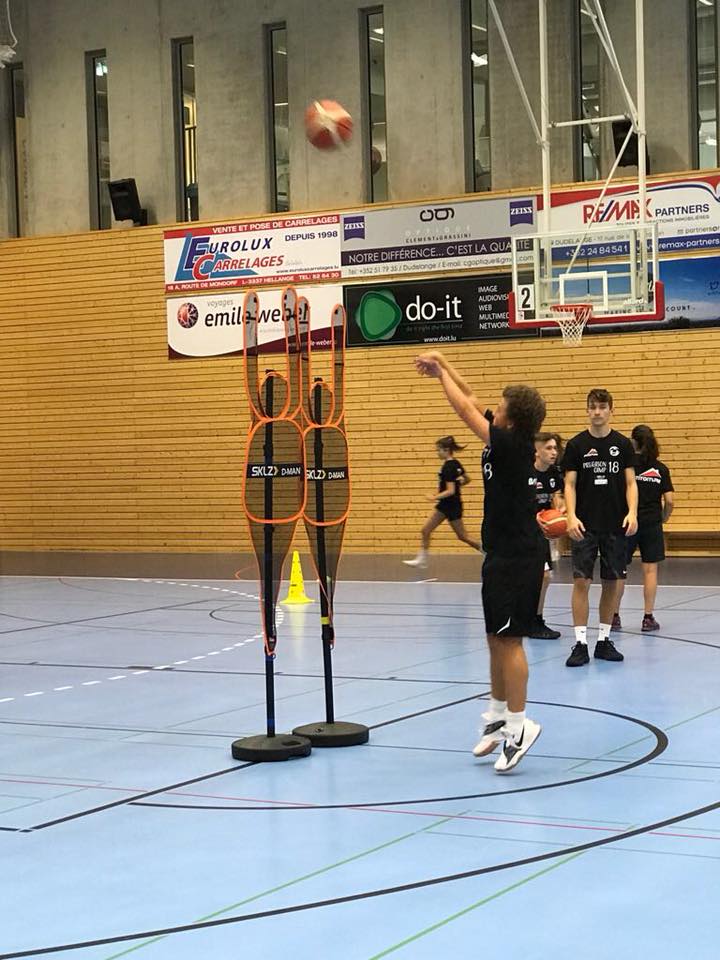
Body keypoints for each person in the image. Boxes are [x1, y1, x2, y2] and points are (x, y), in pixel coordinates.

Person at [414, 350, 546, 773]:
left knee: (511, 641)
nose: (495, 407)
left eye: (502, 404)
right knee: (494, 637)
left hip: (519, 557)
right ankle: (498, 715)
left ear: (513, 419)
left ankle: (520, 726)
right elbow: (470, 397)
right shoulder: (503, 433)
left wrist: (439, 375)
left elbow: (463, 409)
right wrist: (444, 360)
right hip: (498, 553)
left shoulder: (510, 444)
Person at [563, 389, 638, 667]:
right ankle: (580, 643)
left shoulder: (623, 444)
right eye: (592, 407)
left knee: (611, 582)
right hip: (585, 524)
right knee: (581, 581)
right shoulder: (576, 445)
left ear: (611, 410)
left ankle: (604, 641)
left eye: (602, 407)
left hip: (615, 525)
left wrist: (632, 512)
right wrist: (571, 516)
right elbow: (569, 484)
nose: (597, 411)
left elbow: (631, 482)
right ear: (587, 410)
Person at [614, 424, 674, 631]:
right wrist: (663, 517)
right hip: (651, 523)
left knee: (620, 570)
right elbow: (670, 500)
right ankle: (648, 618)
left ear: (633, 442)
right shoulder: (660, 469)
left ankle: (614, 616)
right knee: (650, 570)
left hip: (628, 523)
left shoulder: (626, 467)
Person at [404, 436, 480, 568]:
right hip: (445, 506)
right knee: (426, 530)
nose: (437, 453)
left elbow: (450, 491)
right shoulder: (456, 463)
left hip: (452, 506)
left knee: (463, 536)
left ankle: (488, 552)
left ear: (446, 450)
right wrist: (457, 485)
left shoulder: (448, 467)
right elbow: (467, 479)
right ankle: (422, 560)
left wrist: (434, 497)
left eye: (438, 450)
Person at [529, 433, 565, 640]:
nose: (554, 452)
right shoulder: (525, 473)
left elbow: (556, 496)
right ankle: (529, 619)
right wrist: (532, 516)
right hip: (522, 531)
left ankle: (535, 619)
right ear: (537, 452)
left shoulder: (553, 473)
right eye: (548, 448)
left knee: (544, 576)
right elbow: (512, 504)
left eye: (555, 448)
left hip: (540, 533)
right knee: (534, 577)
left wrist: (559, 510)